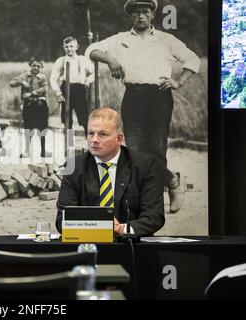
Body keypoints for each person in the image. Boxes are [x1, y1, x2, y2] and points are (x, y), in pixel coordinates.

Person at [85, 0, 200, 213]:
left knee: (156, 148)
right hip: (133, 96)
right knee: (135, 150)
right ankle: (170, 181)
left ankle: (158, 197)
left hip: (159, 96)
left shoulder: (166, 39)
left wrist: (178, 82)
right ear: (130, 16)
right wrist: (111, 60)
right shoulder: (121, 39)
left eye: (145, 12)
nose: (140, 16)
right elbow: (91, 50)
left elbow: (192, 60)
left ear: (152, 14)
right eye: (136, 12)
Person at [56, 108, 165, 236]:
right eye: (91, 133)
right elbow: (62, 220)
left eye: (103, 134)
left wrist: (122, 229)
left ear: (119, 138)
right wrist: (100, 226)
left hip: (131, 247)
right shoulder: (73, 167)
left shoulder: (146, 165)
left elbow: (154, 216)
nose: (94, 139)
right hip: (87, 245)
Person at [50, 36, 94, 135]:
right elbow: (53, 78)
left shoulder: (82, 59)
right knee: (67, 119)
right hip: (66, 89)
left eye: (71, 46)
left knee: (84, 118)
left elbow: (93, 72)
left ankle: (89, 142)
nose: (69, 49)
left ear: (76, 47)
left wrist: (88, 80)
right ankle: (69, 145)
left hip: (79, 89)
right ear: (63, 47)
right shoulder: (60, 61)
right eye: (66, 46)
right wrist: (58, 93)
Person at [10, 56, 50, 158]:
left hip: (40, 104)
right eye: (34, 65)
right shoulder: (25, 76)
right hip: (29, 105)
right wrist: (21, 82)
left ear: (41, 67)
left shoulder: (42, 77)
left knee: (42, 128)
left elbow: (45, 89)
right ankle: (27, 151)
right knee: (28, 128)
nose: (36, 68)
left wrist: (32, 93)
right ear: (30, 65)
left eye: (38, 66)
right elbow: (12, 82)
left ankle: (43, 150)